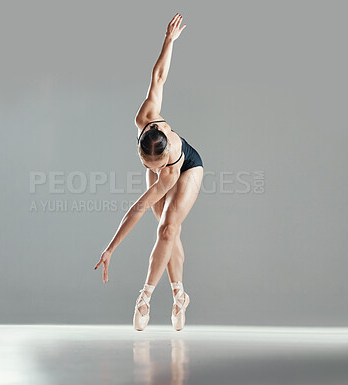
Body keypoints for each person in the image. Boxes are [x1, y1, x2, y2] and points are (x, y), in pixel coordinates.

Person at [94, 13, 204, 331]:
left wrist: (160, 170)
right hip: (165, 166)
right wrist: (168, 41)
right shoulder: (145, 116)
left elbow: (140, 206)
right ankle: (179, 294)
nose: (151, 172)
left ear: (163, 156)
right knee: (170, 234)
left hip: (187, 167)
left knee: (167, 230)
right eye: (146, 166)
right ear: (141, 147)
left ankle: (145, 297)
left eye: (154, 168)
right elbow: (158, 77)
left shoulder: (167, 170)